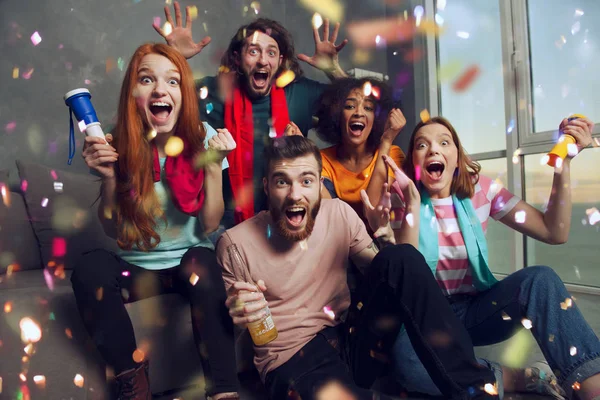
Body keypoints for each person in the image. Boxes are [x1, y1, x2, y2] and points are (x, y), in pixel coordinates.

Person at [215, 135, 500, 400]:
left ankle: (474, 388)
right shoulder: (235, 243)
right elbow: (237, 330)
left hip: (353, 339)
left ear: (319, 183)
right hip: (293, 359)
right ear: (266, 186)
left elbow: (385, 273)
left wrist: (385, 237)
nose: (294, 195)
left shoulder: (339, 212)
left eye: (306, 181)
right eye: (282, 182)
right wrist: (238, 316)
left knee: (401, 256)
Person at [385, 116, 599, 400]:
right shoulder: (401, 199)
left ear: (458, 158)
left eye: (444, 142)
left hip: (474, 311)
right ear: (414, 161)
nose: (433, 150)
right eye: (422, 145)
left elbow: (553, 231)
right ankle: (525, 378)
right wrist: (409, 201)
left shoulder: (482, 191)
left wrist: (564, 163)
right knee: (410, 368)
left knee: (540, 279)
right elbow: (406, 272)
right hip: (423, 319)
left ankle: (592, 387)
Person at [70, 43, 240, 400]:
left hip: (188, 265)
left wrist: (211, 165)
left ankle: (223, 391)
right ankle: (133, 384)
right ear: (133, 92)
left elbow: (209, 225)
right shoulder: (117, 143)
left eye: (172, 82)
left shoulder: (205, 136)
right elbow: (113, 231)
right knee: (89, 269)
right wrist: (109, 177)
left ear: (184, 93)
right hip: (137, 267)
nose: (160, 90)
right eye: (147, 80)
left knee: (204, 261)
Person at [154, 1, 349, 225]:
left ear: (280, 61)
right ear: (237, 58)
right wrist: (174, 58)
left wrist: (333, 69)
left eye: (271, 53)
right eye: (253, 51)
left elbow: (359, 104)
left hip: (290, 212)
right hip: (227, 219)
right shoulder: (215, 90)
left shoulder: (299, 92)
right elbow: (161, 97)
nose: (263, 60)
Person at [315, 77, 406, 228]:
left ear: (377, 118)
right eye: (349, 106)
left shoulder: (393, 154)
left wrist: (386, 141)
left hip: (381, 243)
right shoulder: (322, 159)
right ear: (337, 116)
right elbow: (331, 219)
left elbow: (372, 212)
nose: (359, 113)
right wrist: (302, 158)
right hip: (339, 243)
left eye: (368, 108)